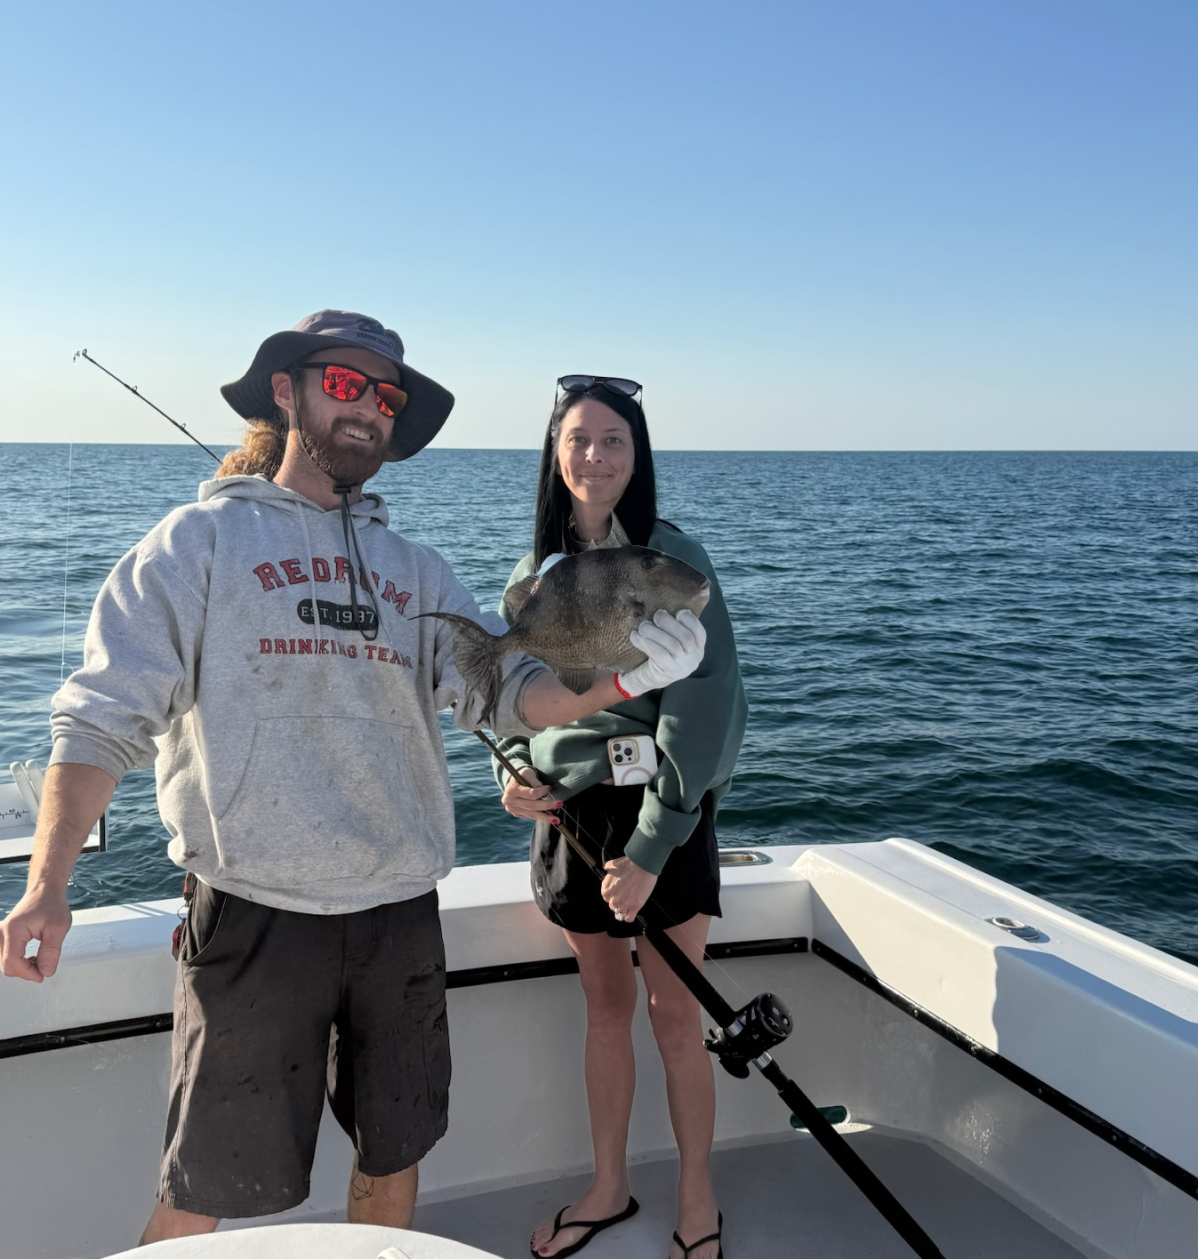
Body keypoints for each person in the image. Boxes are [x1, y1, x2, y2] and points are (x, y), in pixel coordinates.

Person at [0, 317, 707, 1245]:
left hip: (397, 913)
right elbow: (100, 717)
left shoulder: (417, 572)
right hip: (253, 913)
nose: (367, 408)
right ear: (284, 392)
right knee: (207, 1174)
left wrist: (621, 682)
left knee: (393, 1158)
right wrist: (47, 886)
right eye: (345, 383)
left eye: (386, 396)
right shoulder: (194, 544)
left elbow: (505, 695)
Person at [494, 376, 747, 1260]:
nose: (593, 456)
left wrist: (651, 846)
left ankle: (696, 1199)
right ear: (554, 454)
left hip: (659, 815)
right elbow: (511, 703)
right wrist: (515, 775)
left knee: (676, 1016)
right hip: (568, 817)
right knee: (605, 1011)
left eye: (613, 440)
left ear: (636, 457)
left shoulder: (673, 560)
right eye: (577, 439)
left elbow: (707, 708)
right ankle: (608, 1188)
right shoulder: (533, 575)